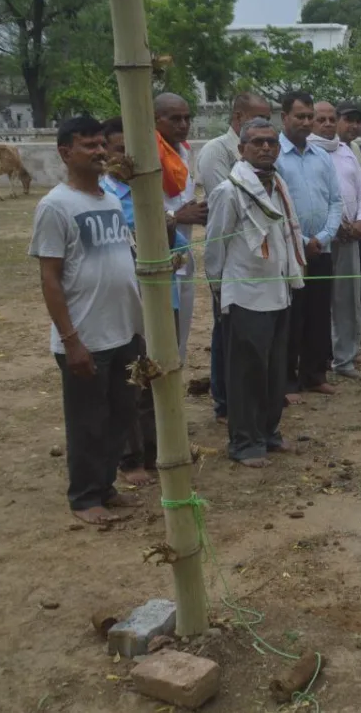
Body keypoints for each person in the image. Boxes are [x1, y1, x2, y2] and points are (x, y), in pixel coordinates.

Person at [29, 115, 144, 524]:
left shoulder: (111, 200)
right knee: (87, 421)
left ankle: (105, 486)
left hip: (123, 330)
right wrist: (71, 339)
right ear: (65, 152)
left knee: (120, 415)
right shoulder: (55, 206)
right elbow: (50, 277)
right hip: (85, 336)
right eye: (89, 146)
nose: (99, 152)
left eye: (101, 145)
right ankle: (84, 498)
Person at [205, 118, 306, 468]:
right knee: (247, 373)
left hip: (279, 291)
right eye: (257, 142)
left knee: (274, 372)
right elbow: (214, 251)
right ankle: (245, 442)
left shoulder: (277, 184)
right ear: (241, 149)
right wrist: (220, 295)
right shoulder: (229, 191)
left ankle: (269, 433)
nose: (265, 148)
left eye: (271, 142)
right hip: (245, 296)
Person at [100, 117, 188, 487]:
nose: (127, 160)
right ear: (105, 152)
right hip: (126, 305)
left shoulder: (152, 193)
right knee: (130, 382)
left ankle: (156, 450)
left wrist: (171, 230)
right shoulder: (103, 200)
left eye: (135, 152)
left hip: (161, 297)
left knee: (159, 374)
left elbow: (180, 247)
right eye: (120, 150)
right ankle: (130, 458)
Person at [195, 92, 271, 424]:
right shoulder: (217, 152)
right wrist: (217, 278)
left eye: (269, 123)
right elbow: (222, 207)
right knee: (227, 333)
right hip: (233, 262)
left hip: (262, 268)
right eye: (258, 119)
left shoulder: (272, 172)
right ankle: (225, 401)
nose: (265, 137)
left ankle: (254, 401)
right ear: (239, 117)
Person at [275, 90, 343, 396]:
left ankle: (314, 375)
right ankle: (288, 379)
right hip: (290, 251)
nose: (305, 122)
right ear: (284, 117)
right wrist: (302, 241)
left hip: (322, 247)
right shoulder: (274, 155)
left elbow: (336, 201)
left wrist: (324, 237)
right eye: (299, 116)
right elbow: (275, 207)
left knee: (318, 312)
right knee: (292, 314)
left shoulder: (322, 158)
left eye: (309, 117)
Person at [310, 101, 361, 378]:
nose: (327, 124)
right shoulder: (306, 154)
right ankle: (315, 360)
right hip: (318, 241)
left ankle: (345, 360)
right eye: (320, 119)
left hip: (351, 238)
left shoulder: (347, 152)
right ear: (311, 122)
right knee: (318, 303)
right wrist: (333, 228)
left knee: (348, 300)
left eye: (331, 119)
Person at [154, 92, 206, 367]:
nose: (183, 124)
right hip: (155, 259)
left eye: (187, 118)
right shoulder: (147, 155)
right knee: (160, 332)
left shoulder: (183, 151)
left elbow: (183, 203)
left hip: (183, 254)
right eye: (175, 118)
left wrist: (197, 212)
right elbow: (138, 209)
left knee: (181, 331)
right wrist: (178, 215)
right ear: (154, 119)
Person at [336, 101, 361, 326]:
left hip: (359, 229)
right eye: (348, 120)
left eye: (358, 121)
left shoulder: (356, 149)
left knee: (358, 285)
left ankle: (353, 335)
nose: (354, 126)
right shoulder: (325, 149)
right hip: (335, 232)